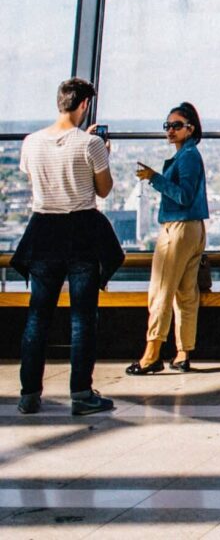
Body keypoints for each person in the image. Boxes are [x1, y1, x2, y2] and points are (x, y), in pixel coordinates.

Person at [9, 78, 122, 416]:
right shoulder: (90, 145)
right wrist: (103, 152)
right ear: (85, 105)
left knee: (37, 316)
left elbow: (34, 181)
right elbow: (103, 190)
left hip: (43, 231)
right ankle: (81, 393)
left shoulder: (31, 143)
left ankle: (29, 393)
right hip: (81, 233)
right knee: (82, 317)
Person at [127, 102, 209, 375]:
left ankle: (151, 354)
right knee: (186, 293)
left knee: (161, 291)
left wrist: (154, 178)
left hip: (178, 229)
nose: (170, 131)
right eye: (168, 126)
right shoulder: (189, 155)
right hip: (193, 229)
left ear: (191, 128)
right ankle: (183, 352)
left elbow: (183, 195)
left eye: (176, 126)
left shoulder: (187, 157)